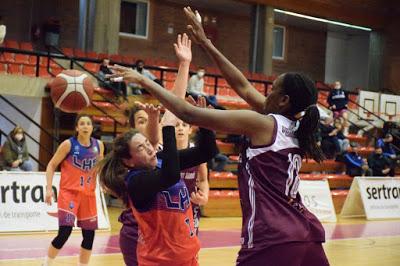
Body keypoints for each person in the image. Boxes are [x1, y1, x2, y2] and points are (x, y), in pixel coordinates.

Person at [108, 9, 329, 264]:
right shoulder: (297, 126)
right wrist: (205, 43)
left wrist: (143, 81)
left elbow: (186, 112)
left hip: (273, 236)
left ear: (283, 100)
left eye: (271, 90)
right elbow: (243, 86)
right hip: (306, 232)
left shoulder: (262, 124)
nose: (264, 94)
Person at [98, 105, 218, 265]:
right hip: (159, 260)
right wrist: (168, 127)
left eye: (147, 143)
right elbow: (170, 175)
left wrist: (203, 122)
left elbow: (207, 152)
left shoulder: (160, 160)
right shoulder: (135, 182)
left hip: (187, 256)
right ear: (128, 161)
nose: (148, 148)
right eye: (140, 147)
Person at [43, 114, 104, 266]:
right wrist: (48, 188)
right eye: (82, 123)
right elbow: (51, 165)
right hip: (69, 194)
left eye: (88, 123)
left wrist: (104, 183)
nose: (85, 126)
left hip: (88, 196)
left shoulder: (99, 145)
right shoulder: (68, 145)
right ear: (77, 127)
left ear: (92, 127)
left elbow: (100, 167)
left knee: (89, 235)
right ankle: (47, 263)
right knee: (65, 232)